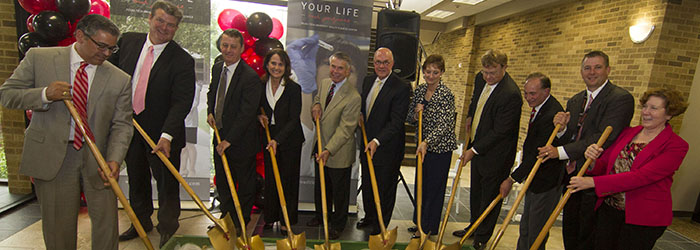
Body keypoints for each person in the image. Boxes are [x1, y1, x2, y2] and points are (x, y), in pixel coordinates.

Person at [0, 15, 132, 250]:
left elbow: (122, 124)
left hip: (97, 156)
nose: (106, 54)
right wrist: (43, 95)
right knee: (58, 227)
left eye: (111, 48)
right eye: (101, 46)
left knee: (106, 224)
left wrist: (114, 158)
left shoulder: (119, 79)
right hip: (53, 156)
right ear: (80, 36)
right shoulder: (40, 59)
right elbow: (8, 95)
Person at [108, 1, 195, 246]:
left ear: (176, 29)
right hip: (129, 128)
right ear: (149, 18)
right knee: (137, 178)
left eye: (170, 25)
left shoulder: (182, 60)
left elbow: (181, 102)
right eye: (160, 20)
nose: (163, 28)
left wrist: (166, 135)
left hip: (162, 135)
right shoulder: (127, 42)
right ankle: (140, 222)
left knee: (167, 184)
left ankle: (167, 227)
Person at [568, 88, 688, 250]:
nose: (646, 112)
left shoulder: (676, 146)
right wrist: (592, 161)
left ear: (669, 114)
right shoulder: (628, 133)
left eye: (654, 108)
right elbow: (606, 164)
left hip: (643, 218)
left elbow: (641, 177)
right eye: (645, 106)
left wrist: (593, 182)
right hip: (610, 210)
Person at [537, 50, 634, 250]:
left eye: (597, 67)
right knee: (570, 231)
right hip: (571, 176)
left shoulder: (620, 99)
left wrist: (560, 151)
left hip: (594, 180)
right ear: (581, 71)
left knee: (588, 237)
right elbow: (573, 135)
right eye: (587, 68)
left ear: (607, 70)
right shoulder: (575, 100)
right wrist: (562, 131)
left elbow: (603, 138)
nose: (592, 72)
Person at [452, 49, 522, 250]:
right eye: (485, 72)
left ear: (504, 68)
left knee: (490, 195)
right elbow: (476, 100)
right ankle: (474, 226)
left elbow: (500, 131)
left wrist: (473, 151)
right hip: (479, 145)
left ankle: (482, 236)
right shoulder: (480, 79)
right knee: (476, 191)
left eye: (493, 73)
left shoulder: (511, 94)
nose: (488, 77)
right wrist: (470, 116)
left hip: (497, 155)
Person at [498, 73, 565, 250]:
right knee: (526, 227)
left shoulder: (551, 114)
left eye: (532, 94)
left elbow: (537, 154)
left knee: (536, 231)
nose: (528, 98)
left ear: (546, 91)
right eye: (526, 93)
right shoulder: (541, 107)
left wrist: (511, 179)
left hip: (546, 181)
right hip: (535, 179)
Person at [207, 29, 263, 230]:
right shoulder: (218, 66)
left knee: (244, 183)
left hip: (241, 141)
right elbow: (212, 92)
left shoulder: (250, 77)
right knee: (222, 181)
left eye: (232, 46)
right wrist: (209, 111)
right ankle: (227, 218)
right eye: (225, 45)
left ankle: (242, 221)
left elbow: (247, 114)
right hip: (219, 135)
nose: (228, 50)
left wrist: (228, 140)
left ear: (241, 48)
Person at [307, 51, 361, 240]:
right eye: (333, 66)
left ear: (347, 72)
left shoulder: (353, 97)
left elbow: (346, 130)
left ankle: (338, 224)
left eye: (340, 68)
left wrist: (328, 150)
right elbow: (318, 101)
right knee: (322, 186)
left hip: (338, 151)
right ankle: (321, 216)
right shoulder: (324, 84)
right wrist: (315, 105)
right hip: (320, 145)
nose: (335, 71)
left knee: (339, 192)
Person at [356, 47, 411, 235]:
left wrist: (377, 141)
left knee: (385, 187)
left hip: (388, 147)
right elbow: (366, 107)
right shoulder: (368, 80)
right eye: (378, 62)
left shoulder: (402, 87)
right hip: (367, 143)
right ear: (373, 63)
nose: (381, 66)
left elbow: (396, 122)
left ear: (392, 64)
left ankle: (381, 224)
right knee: (369, 183)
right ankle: (370, 216)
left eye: (385, 62)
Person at [406, 54, 457, 238]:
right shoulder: (419, 91)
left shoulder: (446, 94)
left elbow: (445, 125)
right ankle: (419, 221)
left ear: (441, 73)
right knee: (421, 185)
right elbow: (409, 117)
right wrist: (415, 115)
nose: (431, 75)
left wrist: (427, 142)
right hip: (422, 147)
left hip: (439, 149)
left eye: (435, 72)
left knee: (434, 188)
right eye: (428, 71)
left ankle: (429, 227)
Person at [257, 49, 304, 233]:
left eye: (280, 64)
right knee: (271, 179)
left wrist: (278, 140)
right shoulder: (260, 85)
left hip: (289, 139)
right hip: (269, 137)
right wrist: (258, 117)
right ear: (267, 64)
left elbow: (294, 119)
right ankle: (270, 216)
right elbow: (256, 109)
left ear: (286, 67)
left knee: (288, 180)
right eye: (273, 63)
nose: (276, 68)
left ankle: (287, 219)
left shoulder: (294, 88)